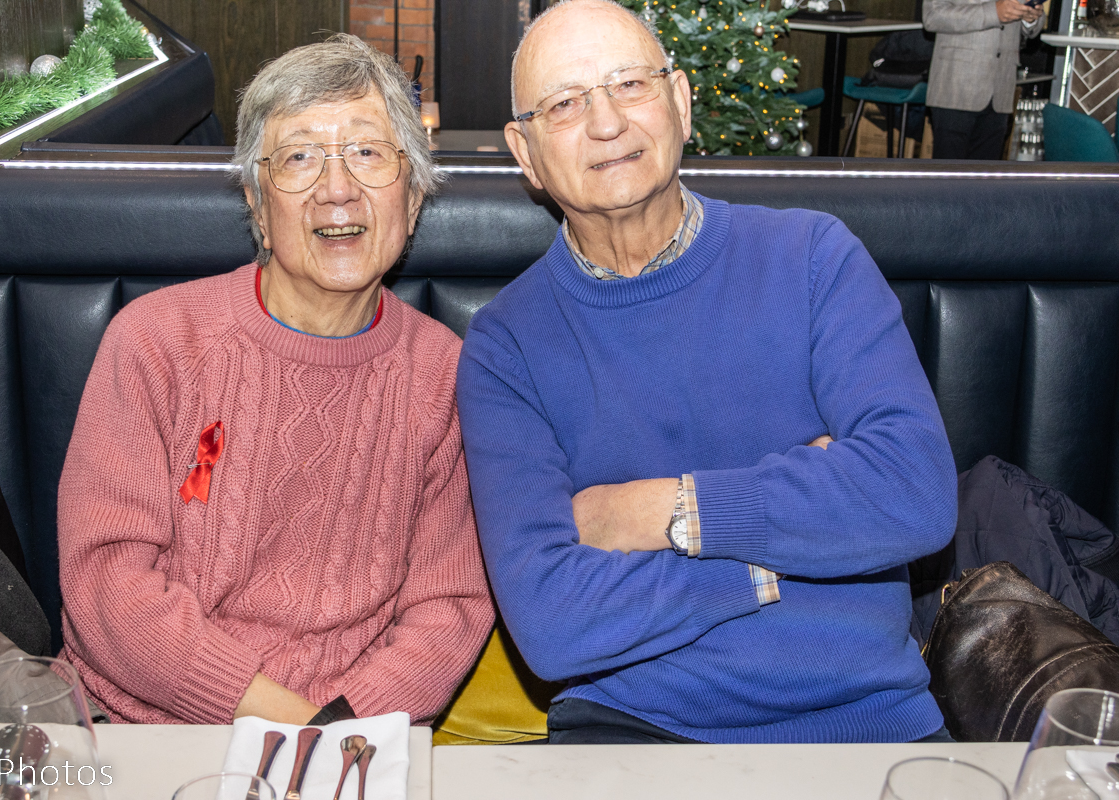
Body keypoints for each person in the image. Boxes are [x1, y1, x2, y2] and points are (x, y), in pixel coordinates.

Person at [456, 0, 959, 744]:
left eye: (631, 84)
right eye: (565, 103)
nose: (607, 123)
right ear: (525, 153)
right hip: (630, 733)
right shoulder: (506, 347)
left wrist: (660, 511)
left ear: (681, 103)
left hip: (868, 722)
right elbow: (552, 622)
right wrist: (770, 560)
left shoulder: (814, 258)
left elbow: (915, 492)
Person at [57, 35, 493, 725]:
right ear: (258, 208)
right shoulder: (155, 342)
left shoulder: (448, 379)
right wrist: (292, 727)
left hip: (352, 737)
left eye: (367, 153)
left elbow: (449, 610)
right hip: (136, 729)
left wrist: (337, 737)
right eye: (299, 158)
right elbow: (107, 581)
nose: (337, 189)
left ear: (412, 200)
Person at [924, 0, 1043, 159]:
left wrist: (1031, 19)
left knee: (986, 172)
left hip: (1001, 89)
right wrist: (994, 12)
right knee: (950, 172)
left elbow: (1033, 25)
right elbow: (932, 16)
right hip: (956, 86)